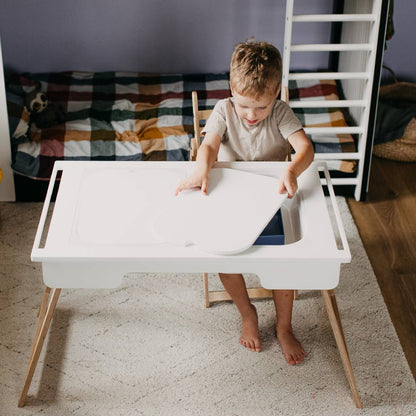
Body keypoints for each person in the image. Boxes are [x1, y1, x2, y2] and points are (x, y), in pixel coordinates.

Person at [175, 40, 314, 365]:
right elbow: (209, 146)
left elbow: (305, 149)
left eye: (261, 107)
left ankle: (283, 326)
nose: (251, 115)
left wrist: (292, 168)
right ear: (231, 91)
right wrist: (200, 169)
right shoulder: (224, 110)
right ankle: (247, 312)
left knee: (284, 263)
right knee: (226, 260)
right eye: (244, 106)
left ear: (276, 92)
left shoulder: (280, 113)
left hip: (269, 196)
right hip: (230, 198)